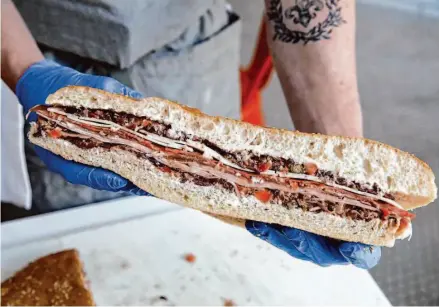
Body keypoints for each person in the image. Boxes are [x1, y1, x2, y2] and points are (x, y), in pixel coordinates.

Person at [1, 0, 380, 268]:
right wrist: (20, 66)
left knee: (203, 241)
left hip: (189, 52)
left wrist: (338, 179)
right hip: (25, 41)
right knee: (58, 248)